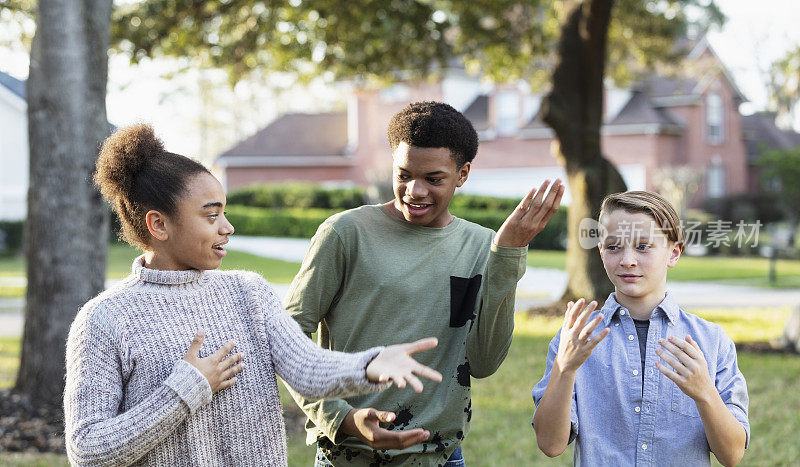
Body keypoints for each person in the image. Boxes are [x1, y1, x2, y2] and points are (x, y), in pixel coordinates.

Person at [64, 124, 442, 466]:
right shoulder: (105, 319)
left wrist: (370, 364)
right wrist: (186, 389)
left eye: (224, 212)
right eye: (211, 216)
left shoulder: (248, 292)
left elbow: (307, 369)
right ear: (159, 224)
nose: (227, 227)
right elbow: (89, 449)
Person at [284, 101, 565, 466]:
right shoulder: (344, 233)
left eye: (433, 179)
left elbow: (483, 363)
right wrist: (342, 417)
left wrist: (507, 256)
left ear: (462, 174)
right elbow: (286, 340)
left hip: (442, 457)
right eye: (403, 175)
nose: (415, 191)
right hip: (347, 456)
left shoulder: (481, 245)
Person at [531, 191, 749, 466]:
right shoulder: (575, 339)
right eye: (613, 247)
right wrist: (566, 368)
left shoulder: (711, 341)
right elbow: (550, 444)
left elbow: (732, 455)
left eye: (643, 247)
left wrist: (704, 392)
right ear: (601, 252)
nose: (627, 260)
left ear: (674, 252)